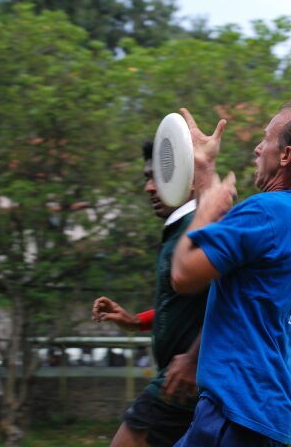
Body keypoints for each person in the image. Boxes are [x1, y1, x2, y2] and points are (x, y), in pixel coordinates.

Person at [170, 99, 291, 446]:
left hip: (237, 406)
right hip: (269, 410)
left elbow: (184, 272)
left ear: (286, 155)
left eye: (266, 139)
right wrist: (205, 170)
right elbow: (228, 250)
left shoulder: (267, 211)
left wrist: (204, 209)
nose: (257, 147)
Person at [91, 139, 215, 447]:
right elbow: (182, 307)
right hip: (182, 382)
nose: (149, 188)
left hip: (185, 382)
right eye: (146, 178)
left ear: (186, 178)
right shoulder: (178, 229)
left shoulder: (199, 227)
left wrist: (192, 359)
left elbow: (229, 302)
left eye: (156, 177)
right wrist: (136, 322)